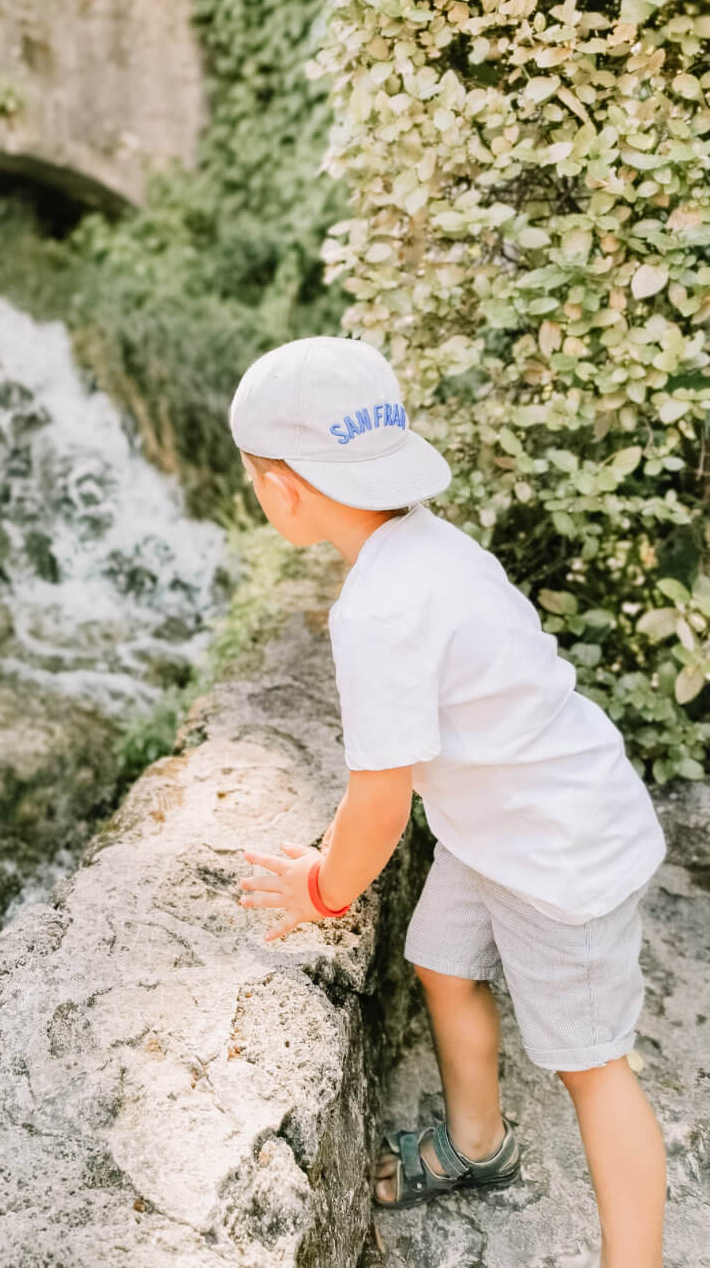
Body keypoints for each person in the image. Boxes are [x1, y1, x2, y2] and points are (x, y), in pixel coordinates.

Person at [229, 335, 668, 1268]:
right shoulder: (425, 541)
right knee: (438, 960)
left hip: (560, 850)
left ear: (282, 489)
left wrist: (323, 889)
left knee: (596, 1071)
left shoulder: (379, 608)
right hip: (498, 826)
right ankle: (477, 1146)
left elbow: (380, 802)